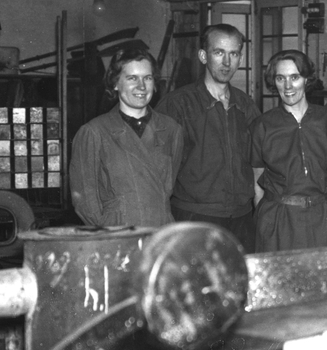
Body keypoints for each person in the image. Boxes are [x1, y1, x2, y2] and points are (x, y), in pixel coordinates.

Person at [157, 24, 260, 252]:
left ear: (241, 58)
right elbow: (157, 171)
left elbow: (257, 165)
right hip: (194, 218)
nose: (227, 62)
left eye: (233, 54)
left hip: (241, 219)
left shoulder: (246, 106)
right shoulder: (177, 105)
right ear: (203, 56)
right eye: (219, 52)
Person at [71, 47, 184, 228]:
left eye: (147, 78)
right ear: (115, 83)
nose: (141, 86)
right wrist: (109, 232)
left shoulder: (171, 129)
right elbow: (85, 202)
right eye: (132, 78)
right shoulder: (94, 132)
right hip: (118, 232)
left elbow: (167, 188)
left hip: (160, 231)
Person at [249, 50, 327, 252]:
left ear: (306, 79)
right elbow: (257, 181)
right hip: (279, 219)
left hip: (321, 217)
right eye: (280, 78)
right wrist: (267, 223)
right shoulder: (263, 125)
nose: (288, 86)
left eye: (295, 77)